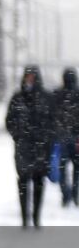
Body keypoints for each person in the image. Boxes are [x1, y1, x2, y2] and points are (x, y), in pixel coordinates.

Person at [5, 66, 55, 228]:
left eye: (33, 77)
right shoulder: (18, 98)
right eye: (28, 77)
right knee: (23, 181)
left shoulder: (46, 98)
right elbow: (9, 120)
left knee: (38, 181)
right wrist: (18, 135)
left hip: (41, 147)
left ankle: (36, 217)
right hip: (23, 147)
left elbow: (53, 121)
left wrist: (46, 138)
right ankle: (24, 217)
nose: (30, 80)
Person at [53, 68, 79, 206]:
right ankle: (75, 194)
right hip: (76, 138)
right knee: (76, 169)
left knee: (62, 168)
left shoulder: (57, 94)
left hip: (61, 137)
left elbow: (53, 116)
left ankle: (66, 195)